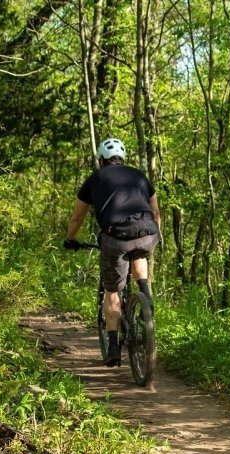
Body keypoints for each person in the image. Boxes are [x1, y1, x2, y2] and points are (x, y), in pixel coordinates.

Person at [64, 138, 160, 367]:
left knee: (112, 291)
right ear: (123, 158)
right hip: (148, 232)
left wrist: (70, 239)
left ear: (101, 159)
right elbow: (155, 211)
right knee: (138, 252)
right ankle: (145, 293)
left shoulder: (95, 178)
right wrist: (157, 236)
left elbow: (77, 216)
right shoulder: (138, 175)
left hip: (116, 237)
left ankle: (114, 346)